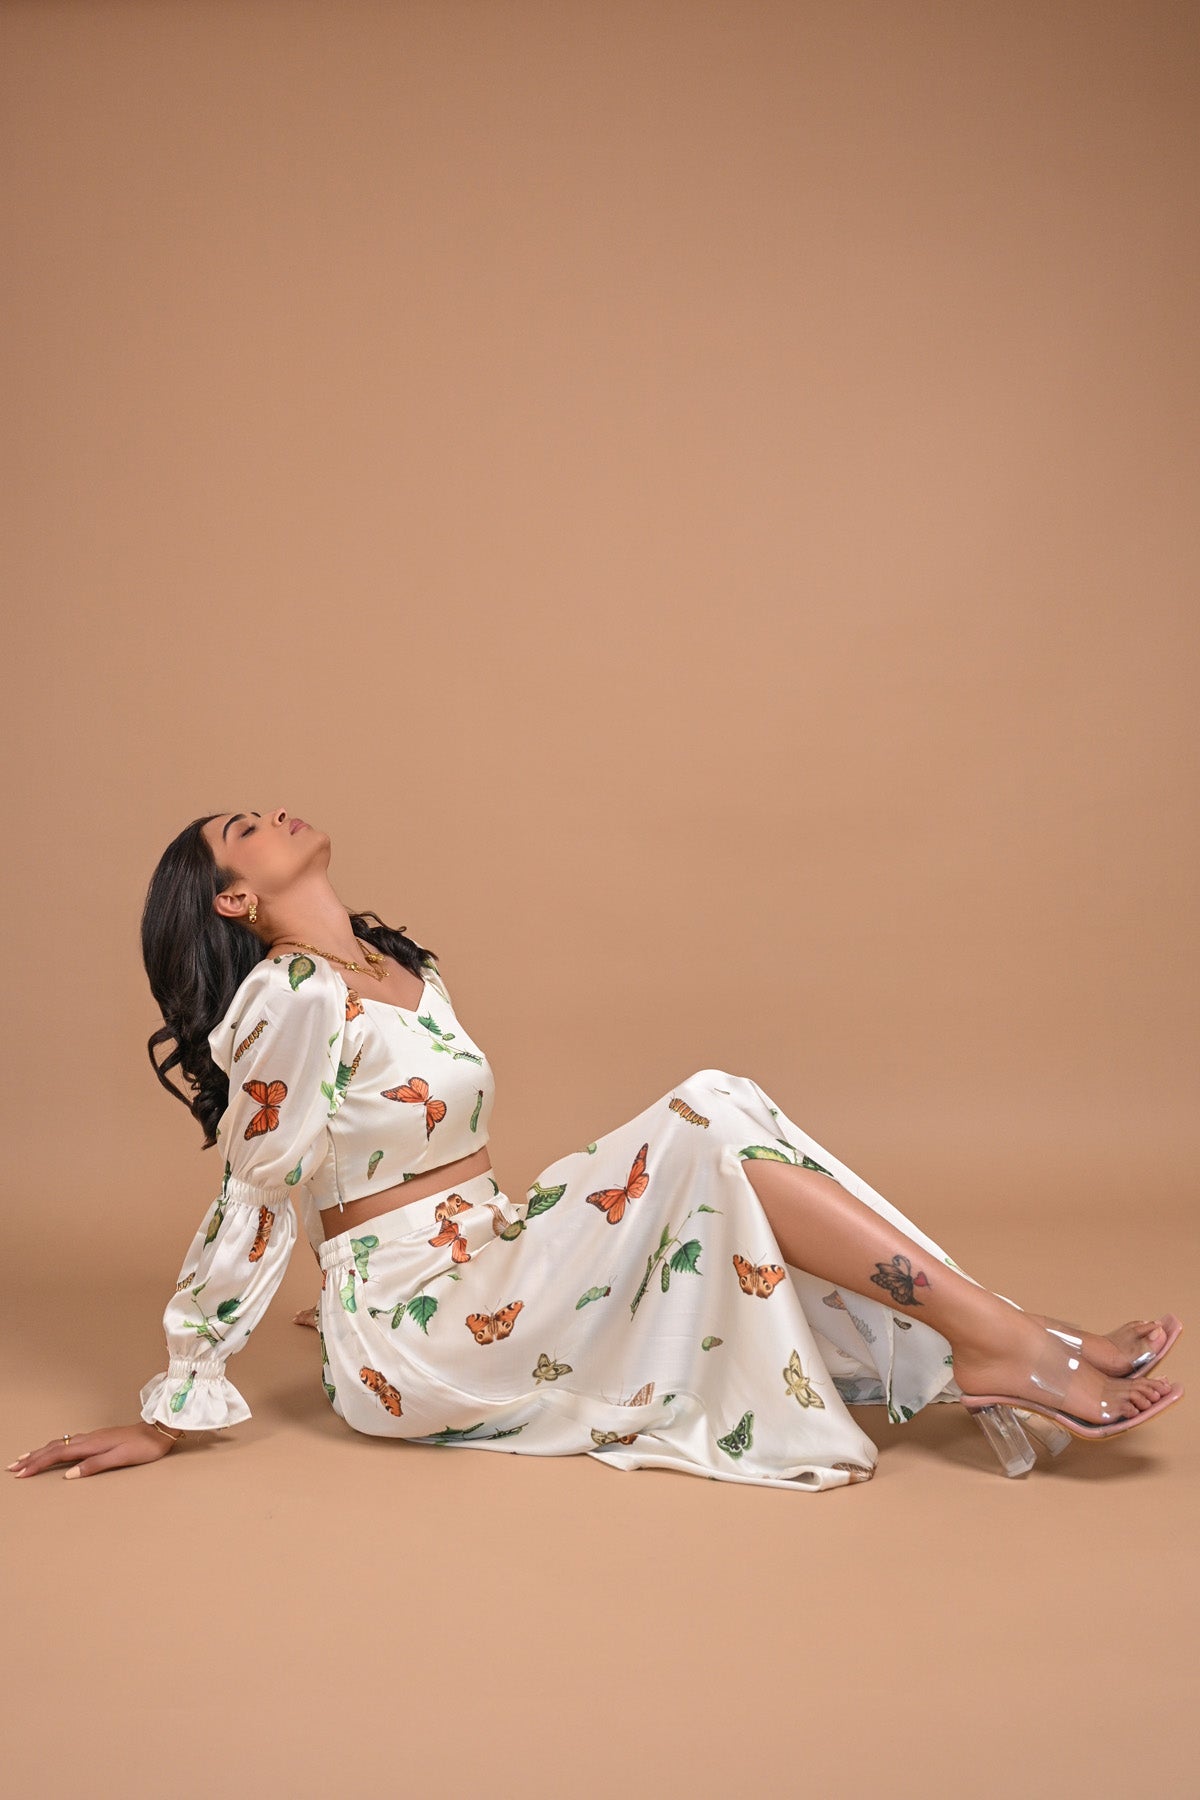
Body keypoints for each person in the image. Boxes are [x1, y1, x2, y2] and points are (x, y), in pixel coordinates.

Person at [9, 808, 1184, 1488]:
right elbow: (258, 1194)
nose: (272, 814)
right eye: (244, 830)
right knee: (703, 1113)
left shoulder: (397, 967)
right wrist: (173, 1404)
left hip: (487, 1261)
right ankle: (1004, 1338)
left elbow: (382, 1153)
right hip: (426, 1335)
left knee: (721, 1105)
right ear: (233, 899)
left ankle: (999, 1334)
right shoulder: (290, 997)